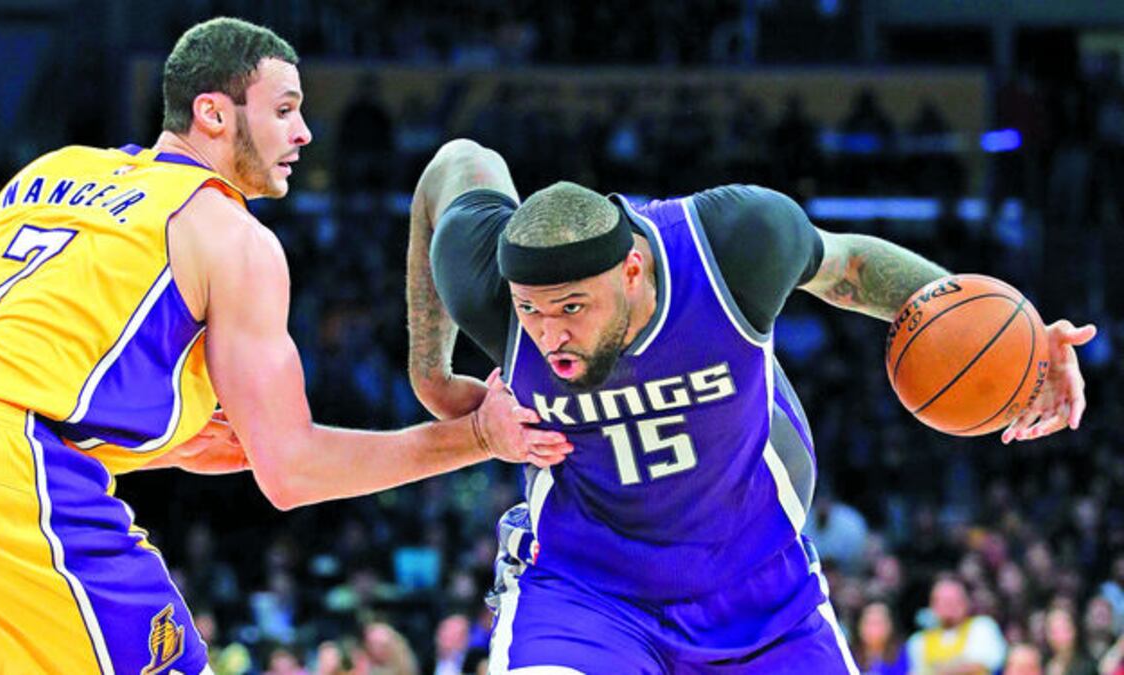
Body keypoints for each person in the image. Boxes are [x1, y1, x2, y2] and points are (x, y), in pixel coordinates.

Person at [0, 19, 570, 674]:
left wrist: (161, 441)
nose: (304, 132)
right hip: (4, 475)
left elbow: (3, 371)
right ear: (212, 113)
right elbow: (292, 471)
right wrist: (478, 436)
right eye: (284, 110)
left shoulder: (49, 173)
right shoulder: (230, 234)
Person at [405, 138, 1096, 673]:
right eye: (530, 310)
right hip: (588, 590)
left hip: (762, 588)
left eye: (572, 308)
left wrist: (1015, 343)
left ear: (633, 271)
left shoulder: (732, 244)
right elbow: (456, 162)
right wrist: (430, 374)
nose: (548, 334)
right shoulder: (484, 279)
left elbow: (851, 268)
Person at [904, 576, 1007, 674]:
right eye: (944, 601)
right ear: (932, 605)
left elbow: (980, 665)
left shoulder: (982, 627)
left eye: (955, 600)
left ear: (967, 602)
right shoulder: (918, 641)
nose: (950, 606)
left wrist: (935, 671)